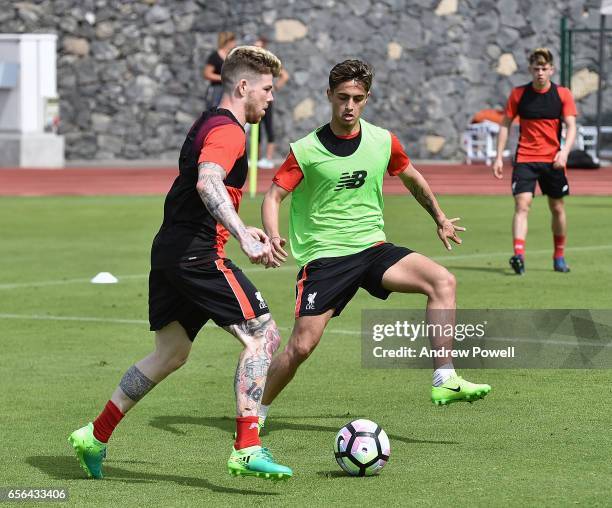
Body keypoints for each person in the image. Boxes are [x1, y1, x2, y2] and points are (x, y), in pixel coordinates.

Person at [69, 46, 292, 481]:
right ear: (243, 86)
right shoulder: (229, 131)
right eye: (267, 89)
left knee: (170, 353)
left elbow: (206, 194)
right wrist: (245, 235)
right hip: (196, 254)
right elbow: (208, 181)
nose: (271, 98)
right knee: (264, 336)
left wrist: (242, 226)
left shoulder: (209, 120)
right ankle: (247, 448)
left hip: (172, 249)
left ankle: (94, 436)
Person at [256, 59, 491, 426]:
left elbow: (412, 177)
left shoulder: (382, 140)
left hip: (373, 248)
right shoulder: (305, 150)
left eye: (358, 98)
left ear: (367, 98)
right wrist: (272, 236)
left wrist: (440, 218)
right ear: (329, 96)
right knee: (301, 346)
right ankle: (257, 411)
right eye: (343, 97)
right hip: (327, 257)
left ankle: (445, 377)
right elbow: (272, 197)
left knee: (442, 281)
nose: (350, 106)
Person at [492, 47, 577, 275]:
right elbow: (505, 125)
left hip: (553, 161)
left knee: (557, 207)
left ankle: (559, 256)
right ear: (530, 69)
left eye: (544, 68)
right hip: (525, 160)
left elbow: (571, 126)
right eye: (536, 68)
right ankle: (518, 256)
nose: (540, 72)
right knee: (522, 206)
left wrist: (565, 152)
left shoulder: (562, 95)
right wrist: (499, 156)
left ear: (552, 70)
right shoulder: (519, 94)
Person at [254, 35, 290, 169]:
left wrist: (274, 88)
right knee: (256, 128)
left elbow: (285, 76)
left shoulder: (269, 62)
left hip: (266, 99)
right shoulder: (253, 63)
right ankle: (257, 159)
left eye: (258, 47)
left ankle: (268, 159)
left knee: (268, 126)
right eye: (255, 47)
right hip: (256, 98)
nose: (256, 49)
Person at [203, 32, 236, 109]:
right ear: (227, 41)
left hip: (229, 90)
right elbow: (207, 74)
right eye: (233, 41)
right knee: (214, 112)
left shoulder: (232, 56)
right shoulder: (215, 56)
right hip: (216, 90)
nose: (235, 43)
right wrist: (223, 78)